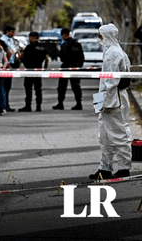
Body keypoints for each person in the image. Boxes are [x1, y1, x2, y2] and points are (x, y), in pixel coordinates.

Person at [89, 24, 132, 180]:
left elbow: (111, 80)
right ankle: (105, 168)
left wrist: (105, 100)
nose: (99, 39)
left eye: (100, 35)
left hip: (113, 98)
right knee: (105, 134)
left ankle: (124, 167)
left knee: (119, 132)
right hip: (106, 96)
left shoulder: (113, 53)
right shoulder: (113, 51)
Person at [53, 28, 85, 110]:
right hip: (76, 67)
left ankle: (60, 104)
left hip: (66, 67)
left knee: (62, 87)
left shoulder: (64, 44)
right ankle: (79, 103)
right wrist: (79, 66)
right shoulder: (77, 44)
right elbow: (82, 57)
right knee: (76, 86)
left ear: (63, 34)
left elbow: (62, 57)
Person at [18, 31, 49, 112]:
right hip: (38, 70)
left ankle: (28, 106)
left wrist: (20, 56)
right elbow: (47, 59)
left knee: (28, 89)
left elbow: (23, 57)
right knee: (38, 89)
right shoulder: (42, 47)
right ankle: (38, 106)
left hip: (29, 70)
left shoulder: (29, 47)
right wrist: (44, 68)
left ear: (32, 37)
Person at [0, 25, 18, 112]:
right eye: (12, 32)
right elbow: (6, 53)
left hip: (11, 64)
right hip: (6, 65)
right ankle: (4, 105)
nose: (13, 34)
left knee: (8, 87)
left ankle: (6, 104)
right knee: (4, 86)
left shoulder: (12, 40)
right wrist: (7, 64)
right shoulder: (3, 40)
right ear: (7, 31)